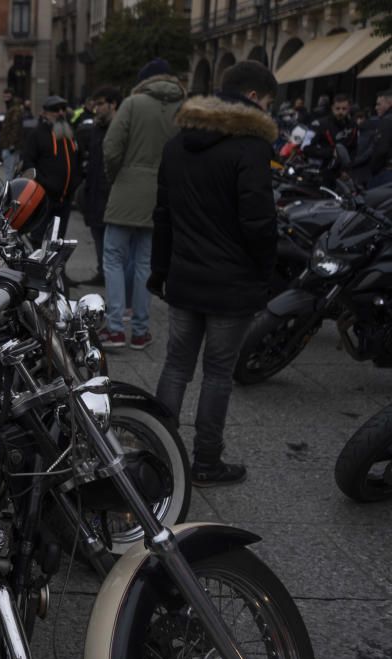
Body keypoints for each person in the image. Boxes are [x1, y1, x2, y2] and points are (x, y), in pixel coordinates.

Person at [149, 60, 279, 486]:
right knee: (217, 373)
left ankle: (156, 452)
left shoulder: (177, 143)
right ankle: (207, 461)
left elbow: (163, 214)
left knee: (175, 367)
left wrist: (159, 270)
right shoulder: (250, 147)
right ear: (255, 98)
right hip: (232, 281)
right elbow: (258, 222)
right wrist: (265, 270)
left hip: (185, 277)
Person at [101, 58, 185, 350]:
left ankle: (114, 328)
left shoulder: (132, 104)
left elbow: (111, 149)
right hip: (162, 193)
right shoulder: (183, 107)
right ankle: (139, 331)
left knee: (112, 258)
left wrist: (117, 177)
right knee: (145, 263)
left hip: (126, 189)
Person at [80, 86, 122, 287]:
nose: (96, 108)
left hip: (112, 193)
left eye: (100, 104)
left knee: (111, 240)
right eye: (95, 104)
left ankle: (112, 276)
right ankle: (102, 272)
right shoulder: (97, 127)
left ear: (113, 104)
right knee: (97, 234)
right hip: (95, 190)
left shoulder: (120, 127)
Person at [23, 95, 79, 242]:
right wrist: (43, 184)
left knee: (58, 241)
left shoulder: (69, 134)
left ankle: (56, 266)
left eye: (63, 109)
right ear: (45, 113)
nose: (60, 113)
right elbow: (28, 163)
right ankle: (35, 265)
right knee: (38, 238)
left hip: (65, 199)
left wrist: (75, 184)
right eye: (55, 110)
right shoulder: (36, 134)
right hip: (44, 198)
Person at [304, 93, 357, 183]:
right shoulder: (319, 124)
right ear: (332, 108)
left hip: (343, 174)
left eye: (344, 109)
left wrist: (347, 170)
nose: (340, 112)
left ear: (349, 109)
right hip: (321, 171)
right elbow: (306, 148)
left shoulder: (352, 126)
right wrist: (330, 152)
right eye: (337, 109)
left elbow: (353, 149)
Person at [368, 89, 392, 188]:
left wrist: (373, 169)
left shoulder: (387, 120)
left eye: (379, 104)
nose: (376, 107)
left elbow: (381, 150)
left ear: (389, 103)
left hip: (386, 173)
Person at [0, 96, 25, 180]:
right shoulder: (16, 112)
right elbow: (15, 129)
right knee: (12, 170)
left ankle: (9, 190)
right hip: (12, 145)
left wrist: (11, 144)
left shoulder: (14, 112)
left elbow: (14, 129)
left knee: (9, 171)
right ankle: (11, 188)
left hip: (9, 146)